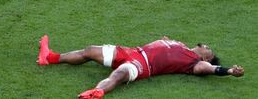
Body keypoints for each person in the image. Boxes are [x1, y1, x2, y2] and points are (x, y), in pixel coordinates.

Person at [36, 35, 244, 98]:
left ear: (206, 58)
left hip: (143, 65)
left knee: (119, 75)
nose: (206, 46)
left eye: (209, 50)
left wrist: (229, 71)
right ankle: (50, 57)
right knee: (90, 51)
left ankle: (98, 91)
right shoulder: (179, 44)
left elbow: (211, 70)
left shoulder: (195, 64)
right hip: (132, 51)